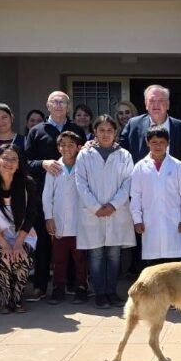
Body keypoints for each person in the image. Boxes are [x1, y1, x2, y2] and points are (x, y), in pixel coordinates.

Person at [24, 90, 85, 302]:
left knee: (75, 246)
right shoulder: (37, 131)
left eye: (62, 102)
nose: (58, 105)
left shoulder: (77, 130)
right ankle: (41, 285)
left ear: (68, 106)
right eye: (54, 102)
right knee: (44, 243)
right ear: (48, 105)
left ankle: (74, 284)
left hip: (74, 195)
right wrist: (43, 163)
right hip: (44, 194)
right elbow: (25, 163)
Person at [75, 115, 136, 309]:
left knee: (114, 256)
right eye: (101, 130)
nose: (105, 134)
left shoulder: (124, 155)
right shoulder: (85, 155)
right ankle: (100, 294)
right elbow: (80, 183)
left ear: (116, 132)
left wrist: (113, 205)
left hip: (116, 212)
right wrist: (95, 206)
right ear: (95, 132)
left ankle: (112, 292)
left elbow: (128, 183)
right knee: (96, 256)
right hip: (93, 213)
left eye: (110, 130)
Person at [0, 145, 37, 314]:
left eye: (13, 159)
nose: (9, 163)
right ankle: (5, 299)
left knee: (22, 258)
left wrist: (18, 243)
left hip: (22, 234)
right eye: (5, 158)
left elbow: (31, 215)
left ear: (19, 164)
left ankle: (17, 298)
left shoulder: (28, 183)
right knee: (3, 258)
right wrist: (4, 244)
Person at [130, 126, 181, 267]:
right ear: (147, 143)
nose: (158, 146)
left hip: (174, 222)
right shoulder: (140, 167)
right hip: (150, 223)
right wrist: (137, 219)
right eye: (154, 142)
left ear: (168, 143)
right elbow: (135, 195)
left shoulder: (177, 165)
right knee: (154, 267)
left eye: (162, 142)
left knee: (175, 266)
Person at [42, 131, 87, 305]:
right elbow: (47, 196)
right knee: (59, 259)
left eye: (71, 145)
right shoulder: (54, 168)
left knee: (80, 259)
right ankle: (58, 288)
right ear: (58, 147)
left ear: (78, 147)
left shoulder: (83, 166)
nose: (66, 148)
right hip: (59, 222)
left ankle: (81, 287)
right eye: (63, 145)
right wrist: (49, 218)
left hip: (79, 223)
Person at [120, 84, 181, 164]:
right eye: (152, 101)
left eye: (160, 100)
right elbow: (120, 151)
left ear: (168, 104)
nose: (156, 105)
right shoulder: (133, 125)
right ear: (146, 104)